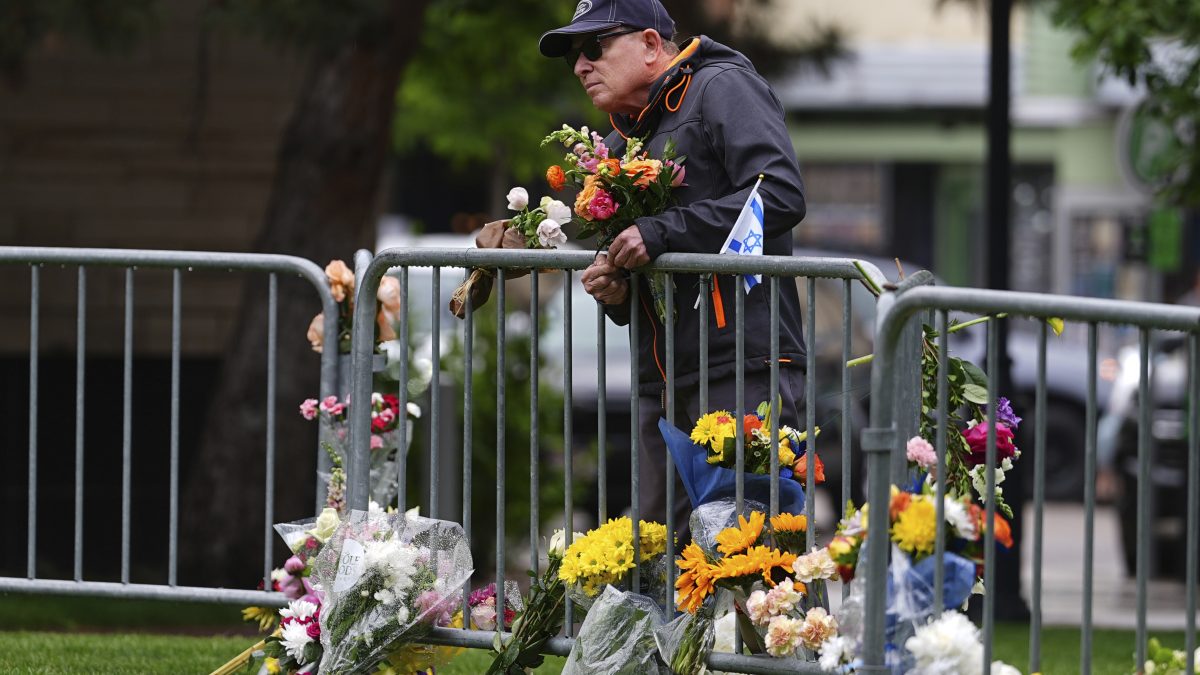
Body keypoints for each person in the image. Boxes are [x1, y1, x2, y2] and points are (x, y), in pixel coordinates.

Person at [539, 0, 810, 533]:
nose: (580, 66)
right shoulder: (620, 141)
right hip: (660, 379)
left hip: (741, 368)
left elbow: (779, 193)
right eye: (574, 55)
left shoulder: (722, 86)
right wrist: (617, 285)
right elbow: (650, 262)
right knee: (656, 559)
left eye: (595, 46)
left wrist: (660, 233)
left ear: (648, 43)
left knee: (756, 558)